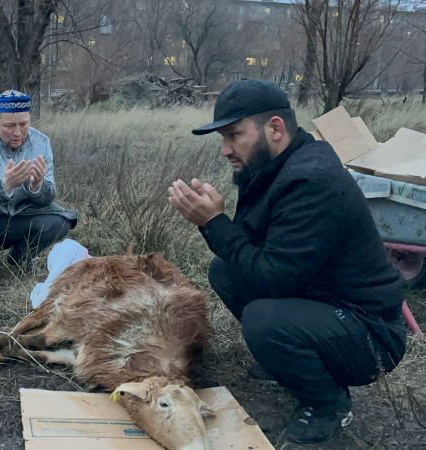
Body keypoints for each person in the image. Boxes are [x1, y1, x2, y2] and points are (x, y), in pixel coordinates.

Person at [168, 80, 407, 444]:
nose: (224, 149)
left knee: (264, 320)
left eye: (234, 135)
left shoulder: (310, 181)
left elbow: (271, 280)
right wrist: (214, 222)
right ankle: (289, 358)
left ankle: (328, 405)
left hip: (369, 333)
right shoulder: (272, 167)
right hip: (323, 298)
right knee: (226, 272)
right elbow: (253, 251)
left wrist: (214, 222)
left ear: (275, 128)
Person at [0, 90, 77, 279]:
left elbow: (49, 196)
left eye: (24, 124)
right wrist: (4, 186)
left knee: (60, 222)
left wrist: (37, 185)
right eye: (10, 126)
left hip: (22, 214)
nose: (18, 132)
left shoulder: (41, 143)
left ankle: (20, 259)